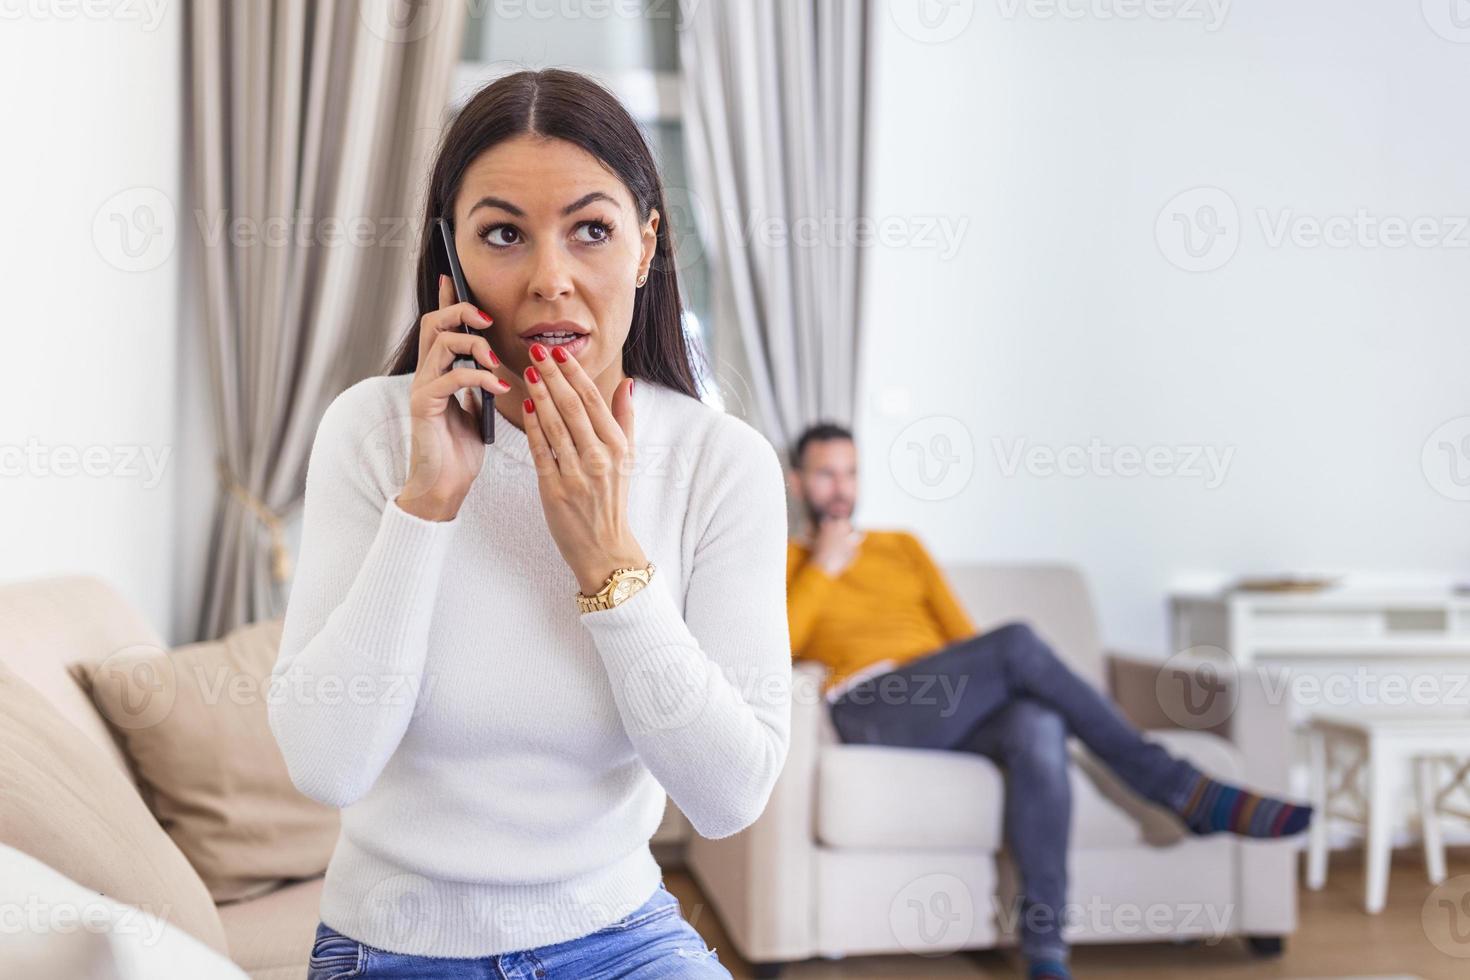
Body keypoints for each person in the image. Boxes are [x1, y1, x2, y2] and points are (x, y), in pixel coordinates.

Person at [268, 69, 793, 979]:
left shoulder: (722, 464)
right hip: (394, 946)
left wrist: (607, 559)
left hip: (623, 938)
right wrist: (428, 503)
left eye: (591, 229)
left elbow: (729, 795)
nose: (551, 280)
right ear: (452, 257)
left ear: (645, 245)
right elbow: (327, 766)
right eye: (504, 234)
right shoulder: (369, 432)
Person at [784, 421, 1312, 980]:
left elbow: (964, 640)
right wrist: (822, 567)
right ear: (798, 483)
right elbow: (779, 644)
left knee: (1036, 722)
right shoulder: (787, 558)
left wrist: (977, 682)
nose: (841, 488)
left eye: (851, 472)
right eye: (825, 474)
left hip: (946, 695)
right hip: (870, 706)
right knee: (1017, 642)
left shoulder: (902, 546)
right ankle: (1181, 789)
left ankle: (1045, 954)